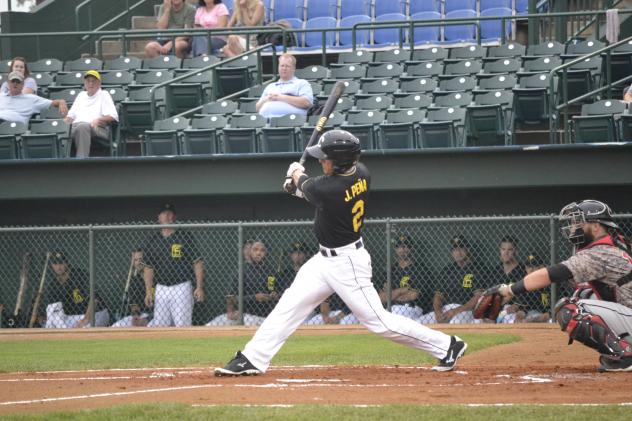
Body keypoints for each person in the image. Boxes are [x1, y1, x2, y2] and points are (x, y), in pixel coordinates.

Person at [215, 130, 467, 376]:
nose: (321, 161)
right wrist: (297, 186)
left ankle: (447, 345)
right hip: (323, 261)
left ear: (339, 161)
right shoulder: (361, 172)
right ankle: (253, 357)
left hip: (347, 263)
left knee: (379, 321)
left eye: (325, 157)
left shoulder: (330, 187)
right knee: (289, 305)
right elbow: (314, 192)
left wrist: (295, 173)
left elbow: (312, 188)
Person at [486, 199, 632, 372]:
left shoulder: (600, 252)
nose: (573, 228)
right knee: (583, 294)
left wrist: (510, 290)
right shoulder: (618, 243)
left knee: (570, 309)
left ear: (595, 226)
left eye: (579, 222)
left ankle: (624, 356)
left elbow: (551, 274)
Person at [142, 203, 205, 327]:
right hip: (161, 288)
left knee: (182, 325)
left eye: (170, 213)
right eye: (164, 213)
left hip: (181, 287)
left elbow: (197, 263)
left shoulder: (184, 236)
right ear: (158, 217)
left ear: (174, 217)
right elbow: (148, 268)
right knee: (160, 326)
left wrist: (199, 287)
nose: (167, 216)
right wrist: (148, 291)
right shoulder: (153, 240)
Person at [207, 239, 285, 326]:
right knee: (211, 324)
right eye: (255, 249)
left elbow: (277, 292)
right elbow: (231, 298)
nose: (258, 253)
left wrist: (275, 295)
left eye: (262, 250)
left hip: (265, 316)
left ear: (266, 253)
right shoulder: (241, 271)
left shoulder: (271, 272)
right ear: (250, 252)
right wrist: (254, 297)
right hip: (245, 314)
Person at [420, 236, 489, 324]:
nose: (458, 252)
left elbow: (478, 297)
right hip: (445, 309)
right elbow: (438, 296)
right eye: (455, 249)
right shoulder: (447, 270)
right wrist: (438, 313)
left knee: (455, 322)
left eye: (461, 248)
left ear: (468, 249)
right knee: (420, 322)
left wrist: (455, 311)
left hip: (466, 310)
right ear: (452, 252)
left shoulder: (478, 269)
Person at [44, 251, 110, 328]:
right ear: (52, 265)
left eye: (61, 263)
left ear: (67, 263)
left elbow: (94, 299)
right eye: (55, 263)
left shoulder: (80, 275)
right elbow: (54, 311)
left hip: (95, 314)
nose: (58, 267)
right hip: (72, 317)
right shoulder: (53, 285)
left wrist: (86, 319)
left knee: (85, 328)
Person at [377, 235, 434, 321]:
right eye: (399, 246)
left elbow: (413, 295)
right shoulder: (390, 271)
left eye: (405, 246)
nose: (402, 249)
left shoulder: (420, 269)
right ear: (395, 249)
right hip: (391, 308)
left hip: (411, 309)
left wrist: (390, 294)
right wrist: (402, 290)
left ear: (411, 249)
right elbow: (380, 298)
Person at [64, 70, 118, 158]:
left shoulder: (104, 94)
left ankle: (81, 161)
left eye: (93, 81)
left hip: (97, 128)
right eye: (88, 81)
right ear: (84, 83)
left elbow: (113, 116)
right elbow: (70, 116)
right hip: (76, 126)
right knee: (62, 130)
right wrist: (62, 125)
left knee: (83, 127)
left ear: (99, 83)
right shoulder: (81, 95)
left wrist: (98, 120)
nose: (91, 84)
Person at [256, 53, 313, 119]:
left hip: (292, 121)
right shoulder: (270, 86)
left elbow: (306, 103)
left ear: (294, 68)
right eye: (282, 66)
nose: (284, 68)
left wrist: (280, 97)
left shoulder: (302, 83)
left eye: (287, 66)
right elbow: (257, 108)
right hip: (267, 121)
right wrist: (266, 99)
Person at [0, 72, 68, 125]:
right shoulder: (1, 97)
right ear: (8, 84)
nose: (15, 84)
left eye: (18, 82)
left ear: (23, 84)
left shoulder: (31, 99)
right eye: (12, 81)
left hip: (13, 126)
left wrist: (61, 101)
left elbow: (53, 103)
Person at [111, 249, 153, 327]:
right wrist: (135, 316)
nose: (138, 262)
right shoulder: (134, 281)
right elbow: (134, 306)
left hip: (156, 314)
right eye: (135, 260)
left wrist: (147, 319)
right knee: (116, 326)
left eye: (141, 259)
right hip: (142, 314)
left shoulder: (156, 277)